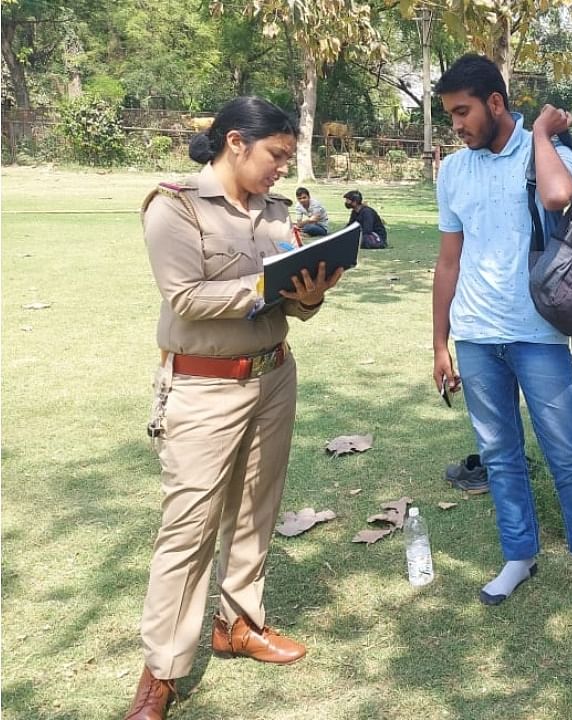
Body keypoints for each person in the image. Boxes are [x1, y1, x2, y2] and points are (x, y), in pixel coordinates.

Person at [124, 96, 342, 720]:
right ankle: (161, 673)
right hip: (203, 386)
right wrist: (263, 286)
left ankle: (238, 624)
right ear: (236, 144)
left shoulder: (277, 213)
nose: (282, 169)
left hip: (273, 375)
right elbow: (186, 297)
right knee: (187, 530)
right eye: (275, 155)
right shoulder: (175, 206)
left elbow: (292, 306)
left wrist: (311, 293)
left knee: (255, 509)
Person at [430, 54, 572, 606]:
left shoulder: (547, 151)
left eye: (464, 111)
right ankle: (519, 555)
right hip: (475, 336)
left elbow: (559, 197)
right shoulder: (453, 171)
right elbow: (448, 261)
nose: (457, 125)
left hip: (538, 332)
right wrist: (440, 343)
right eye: (450, 115)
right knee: (499, 454)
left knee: (567, 451)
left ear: (496, 103)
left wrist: (541, 130)